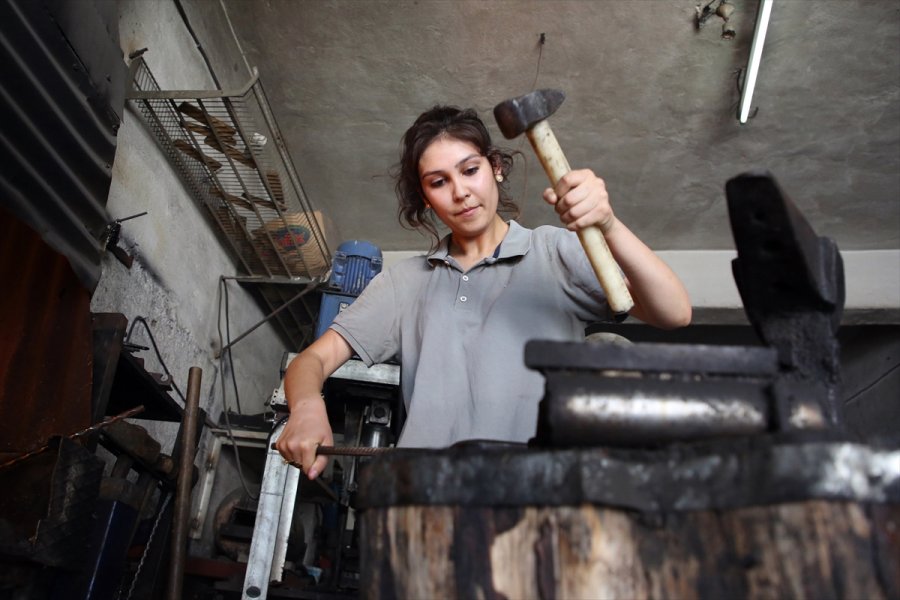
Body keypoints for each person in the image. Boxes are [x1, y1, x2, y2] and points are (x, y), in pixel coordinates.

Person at [276, 105, 691, 480]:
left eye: (470, 170)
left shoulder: (553, 251)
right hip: (423, 508)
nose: (460, 192)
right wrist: (308, 408)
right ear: (426, 198)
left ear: (496, 168)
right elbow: (313, 359)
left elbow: (674, 312)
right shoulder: (406, 282)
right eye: (439, 182)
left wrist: (609, 224)